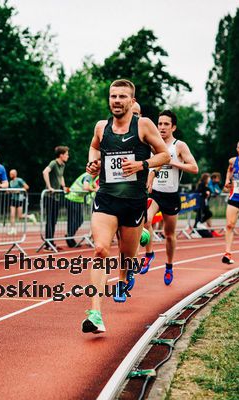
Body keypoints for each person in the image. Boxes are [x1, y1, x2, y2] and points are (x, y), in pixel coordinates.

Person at [82, 79, 169, 334]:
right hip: (106, 198)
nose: (116, 101)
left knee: (127, 256)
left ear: (131, 101)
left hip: (133, 202)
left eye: (122, 97)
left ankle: (123, 276)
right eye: (113, 96)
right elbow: (93, 148)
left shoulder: (143, 125)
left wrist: (142, 165)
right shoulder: (101, 127)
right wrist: (93, 163)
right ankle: (96, 313)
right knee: (99, 250)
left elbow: (165, 155)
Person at [141, 110, 198, 286]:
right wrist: (149, 179)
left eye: (166, 124)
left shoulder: (179, 146)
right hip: (156, 193)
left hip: (172, 196)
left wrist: (173, 162)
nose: (162, 127)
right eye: (160, 124)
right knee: (146, 220)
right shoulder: (153, 145)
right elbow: (151, 166)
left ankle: (169, 266)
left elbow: (194, 168)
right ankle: (149, 254)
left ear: (173, 127)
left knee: (169, 235)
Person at [41, 146, 69, 251]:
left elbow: (61, 176)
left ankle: (51, 241)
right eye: (66, 154)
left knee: (54, 220)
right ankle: (48, 243)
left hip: (56, 196)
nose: (68, 156)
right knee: (50, 219)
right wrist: (49, 187)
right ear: (61, 155)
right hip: (49, 196)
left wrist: (64, 186)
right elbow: (45, 172)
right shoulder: (53, 163)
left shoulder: (63, 165)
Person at [64, 172, 98, 248]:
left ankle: (70, 237)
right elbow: (85, 188)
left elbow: (96, 187)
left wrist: (96, 189)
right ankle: (69, 236)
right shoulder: (88, 176)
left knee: (74, 220)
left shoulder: (92, 178)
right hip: (73, 198)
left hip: (76, 200)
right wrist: (94, 190)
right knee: (79, 220)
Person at [8, 169, 34, 235]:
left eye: (12, 173)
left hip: (19, 199)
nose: (10, 175)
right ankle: (13, 229)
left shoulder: (19, 180)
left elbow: (27, 187)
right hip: (13, 199)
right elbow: (10, 190)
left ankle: (30, 216)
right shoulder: (10, 182)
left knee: (20, 216)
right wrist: (8, 191)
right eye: (10, 174)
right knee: (12, 215)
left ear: (15, 174)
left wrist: (19, 191)